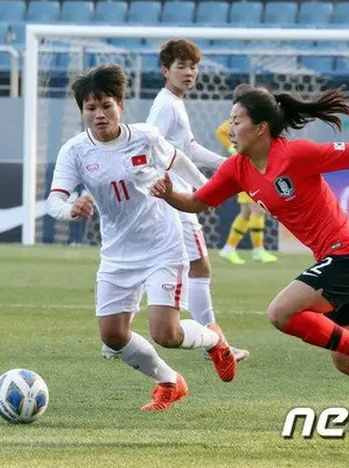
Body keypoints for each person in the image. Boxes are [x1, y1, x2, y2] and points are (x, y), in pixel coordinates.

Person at [151, 83, 349, 404]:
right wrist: (168, 193)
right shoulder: (237, 168)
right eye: (230, 120)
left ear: (261, 129)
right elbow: (196, 202)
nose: (229, 129)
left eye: (237, 120)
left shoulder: (295, 153)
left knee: (281, 313)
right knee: (345, 360)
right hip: (341, 262)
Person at [46, 64, 238, 412]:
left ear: (120, 104)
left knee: (167, 334)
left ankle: (214, 340)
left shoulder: (145, 138)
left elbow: (178, 160)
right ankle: (169, 382)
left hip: (162, 246)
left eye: (106, 105)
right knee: (113, 337)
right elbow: (54, 201)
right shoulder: (75, 151)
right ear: (82, 112)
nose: (99, 115)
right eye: (91, 108)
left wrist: (203, 192)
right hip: (118, 254)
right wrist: (71, 208)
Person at [146, 39, 250, 362]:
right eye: (181, 66)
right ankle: (215, 344)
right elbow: (152, 145)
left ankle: (115, 336)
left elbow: (188, 149)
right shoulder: (166, 106)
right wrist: (197, 189)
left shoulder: (174, 102)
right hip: (174, 199)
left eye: (193, 67)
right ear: (165, 71)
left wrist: (228, 164)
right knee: (199, 266)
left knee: (163, 265)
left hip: (172, 196)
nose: (189, 72)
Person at [215, 119, 278, 265]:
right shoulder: (244, 116)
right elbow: (221, 131)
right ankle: (258, 250)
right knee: (258, 209)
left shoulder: (257, 119)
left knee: (246, 212)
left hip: (252, 167)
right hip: (249, 168)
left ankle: (229, 248)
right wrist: (232, 147)